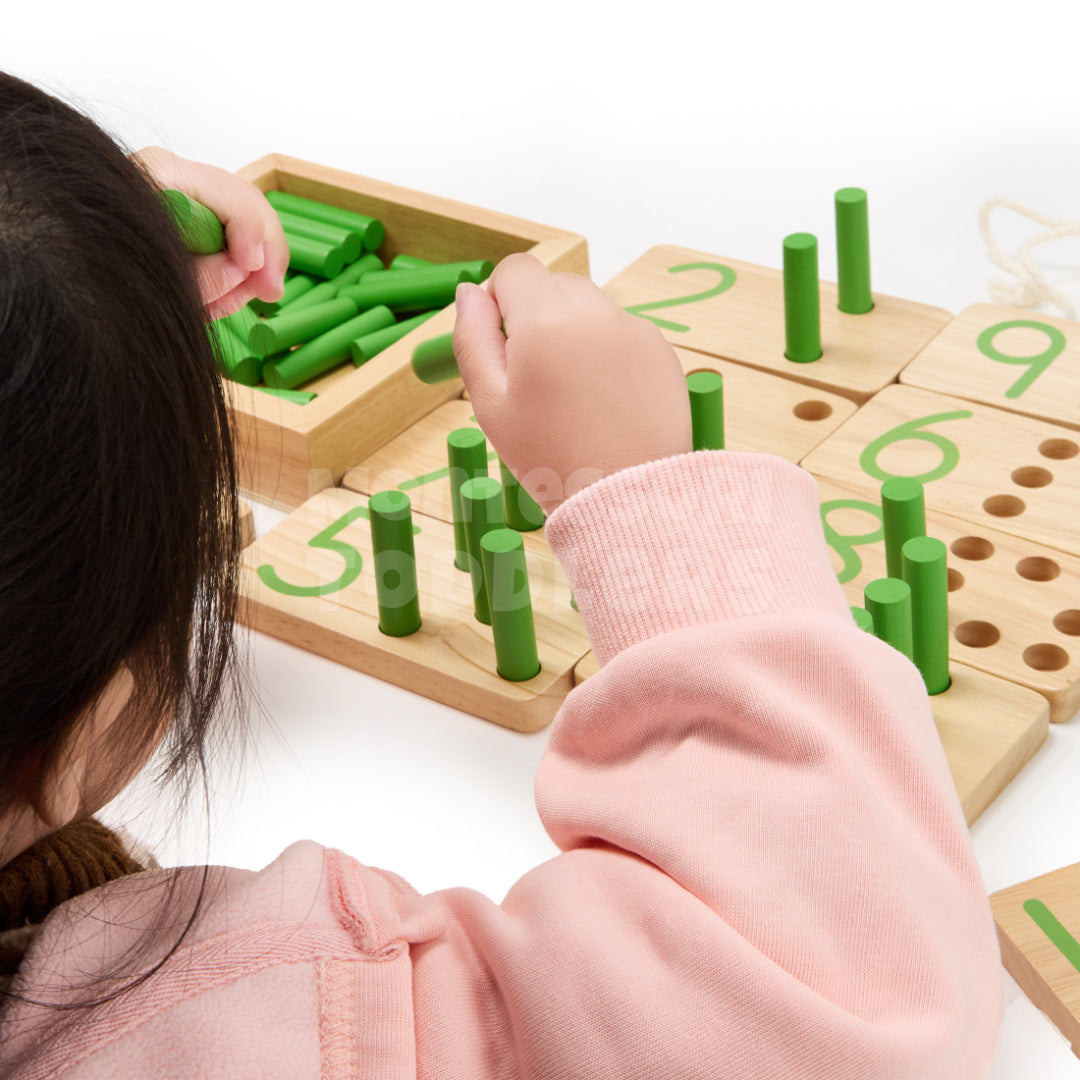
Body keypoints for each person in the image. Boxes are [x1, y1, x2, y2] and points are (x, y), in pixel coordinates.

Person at [0, 70, 1003, 1078]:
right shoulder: (238, 1029)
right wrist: (651, 506)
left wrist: (67, 282)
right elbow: (855, 1018)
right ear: (78, 729)